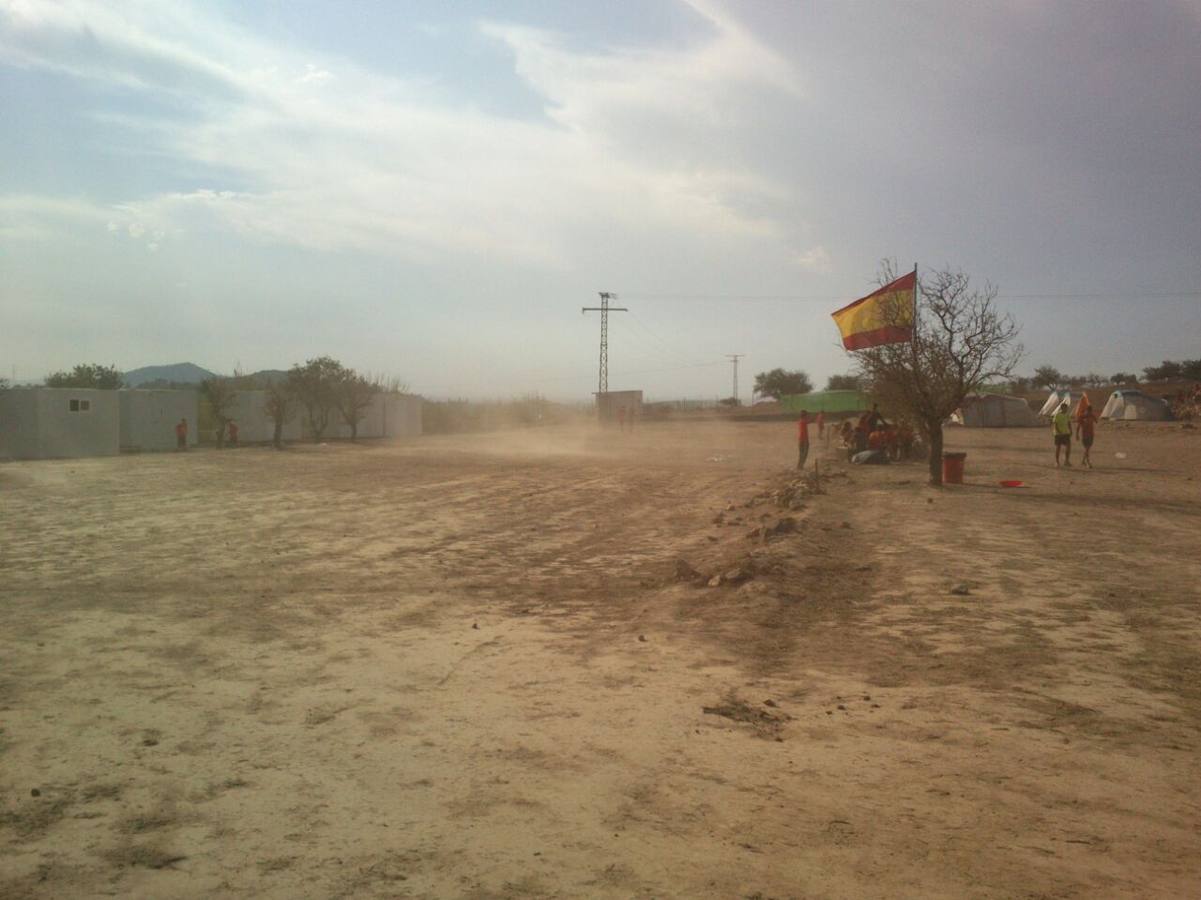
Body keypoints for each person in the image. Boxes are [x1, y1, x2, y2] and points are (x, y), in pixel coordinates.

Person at [1076, 398, 1098, 468]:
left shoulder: (1091, 416)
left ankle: (1083, 461)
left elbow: (1096, 421)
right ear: (1086, 410)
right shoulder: (1082, 417)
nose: (1089, 412)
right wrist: (1077, 435)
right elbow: (1078, 426)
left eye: (1090, 411)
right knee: (1087, 449)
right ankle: (1088, 463)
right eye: (1088, 411)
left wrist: (1093, 416)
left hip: (1091, 434)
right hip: (1085, 435)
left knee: (1087, 449)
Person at [1052, 402, 1072, 467]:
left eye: (1066, 408)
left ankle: (1066, 461)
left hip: (1066, 433)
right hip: (1058, 434)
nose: (1066, 409)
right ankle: (1057, 462)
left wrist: (1071, 430)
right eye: (1065, 408)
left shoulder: (1067, 415)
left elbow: (1069, 423)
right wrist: (1059, 431)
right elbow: (1055, 424)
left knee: (1068, 447)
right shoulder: (1057, 415)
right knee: (1058, 447)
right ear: (1062, 408)